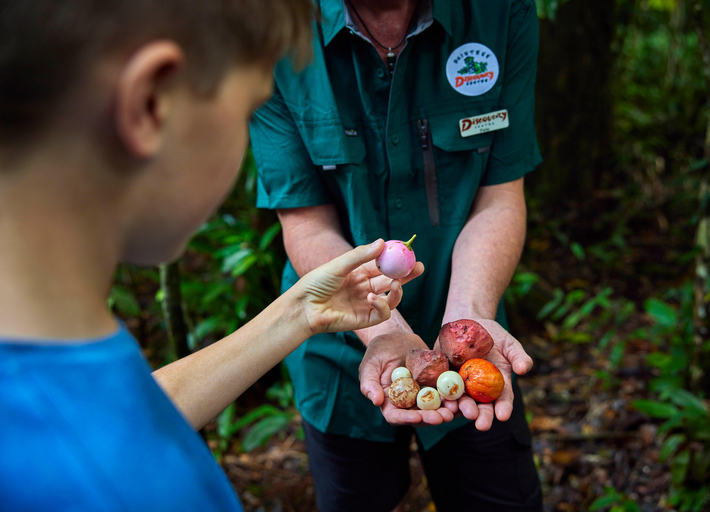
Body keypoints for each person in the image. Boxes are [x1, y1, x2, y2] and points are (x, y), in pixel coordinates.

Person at [0, 1, 424, 510]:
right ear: (153, 104)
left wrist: (300, 313)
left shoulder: (46, 376)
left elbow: (115, 411)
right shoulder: (126, 489)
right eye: (247, 108)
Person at [250, 0, 544, 510]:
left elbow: (499, 195)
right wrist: (383, 330)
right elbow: (306, 221)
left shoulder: (499, 12)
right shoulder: (271, 29)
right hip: (340, 346)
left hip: (474, 329)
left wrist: (468, 321)